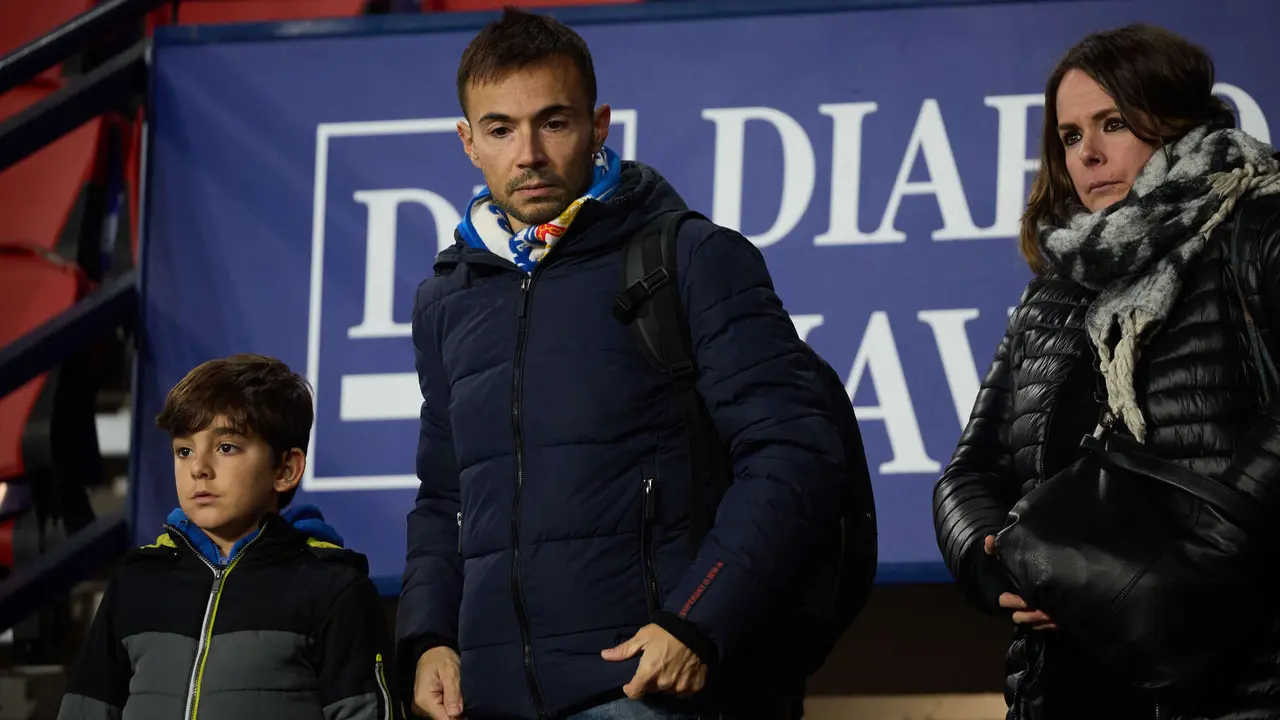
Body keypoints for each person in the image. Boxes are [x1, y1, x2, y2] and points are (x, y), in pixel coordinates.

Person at [395, 7, 847, 720]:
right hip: (492, 702)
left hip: (646, 692)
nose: (530, 153)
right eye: (501, 128)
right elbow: (444, 498)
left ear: (598, 124)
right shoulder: (445, 298)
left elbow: (796, 453)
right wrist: (427, 638)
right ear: (467, 141)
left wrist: (697, 621)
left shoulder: (692, 257)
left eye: (555, 121)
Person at [933, 23, 1280, 720]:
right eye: (1068, 136)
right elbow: (972, 470)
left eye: (1112, 123)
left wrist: (1162, 582)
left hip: (1234, 678)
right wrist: (1001, 564)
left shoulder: (1256, 229)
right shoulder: (1051, 292)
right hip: (1064, 684)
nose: (1087, 153)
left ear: (1173, 121)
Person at [57, 354, 400, 720]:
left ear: (286, 469)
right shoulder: (135, 583)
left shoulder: (334, 589)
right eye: (184, 450)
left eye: (226, 447)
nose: (199, 469)